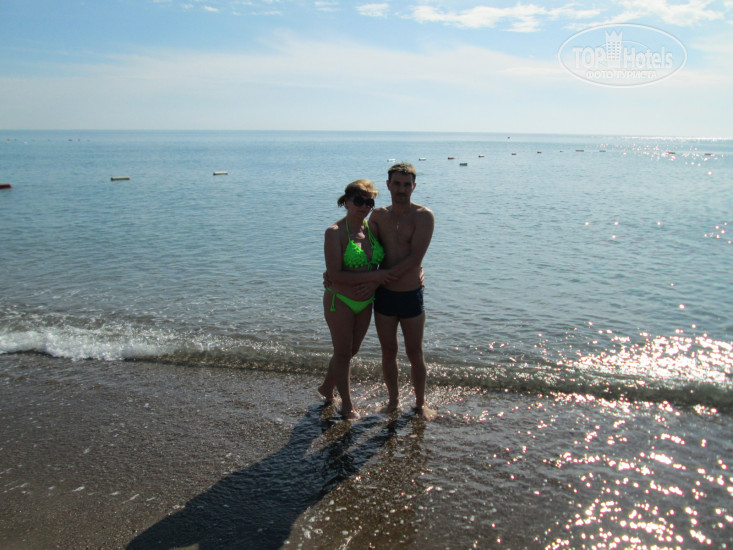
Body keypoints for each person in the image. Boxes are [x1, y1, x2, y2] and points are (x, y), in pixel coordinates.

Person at [319, 179, 398, 419]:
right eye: (359, 201)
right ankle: (347, 405)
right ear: (346, 202)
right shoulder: (334, 232)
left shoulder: (372, 228)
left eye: (369, 202)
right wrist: (376, 276)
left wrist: (377, 280)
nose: (364, 206)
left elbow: (390, 257)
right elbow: (335, 274)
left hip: (365, 301)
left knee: (351, 350)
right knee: (343, 352)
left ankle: (326, 387)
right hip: (340, 300)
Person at [367, 162, 435, 418]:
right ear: (388, 185)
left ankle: (420, 403)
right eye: (396, 184)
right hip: (384, 295)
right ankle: (393, 401)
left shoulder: (423, 216)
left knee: (414, 352)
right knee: (388, 351)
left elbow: (416, 257)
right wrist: (338, 274)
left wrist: (382, 275)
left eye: (407, 185)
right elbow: (368, 252)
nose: (401, 189)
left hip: (410, 293)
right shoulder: (377, 216)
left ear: (414, 187)